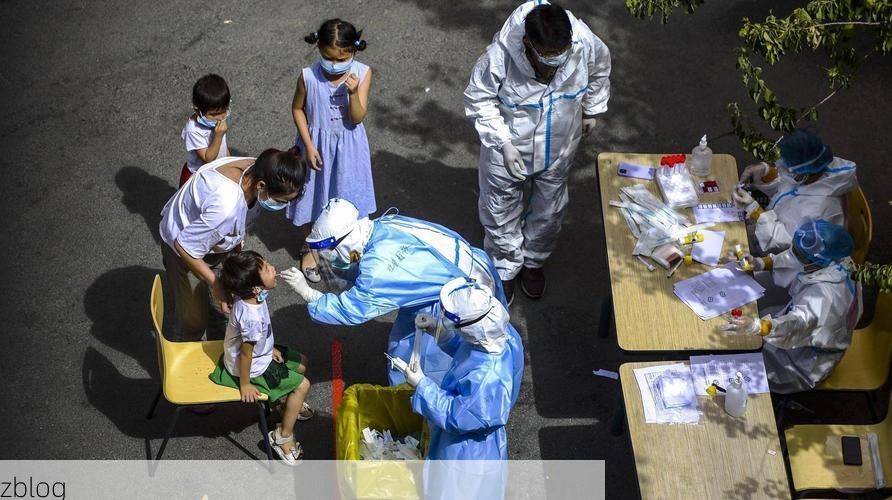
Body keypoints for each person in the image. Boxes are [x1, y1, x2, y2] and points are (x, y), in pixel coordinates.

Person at [464, 1, 611, 302]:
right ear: (528, 44)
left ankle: (533, 261)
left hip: (560, 144)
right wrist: (503, 142)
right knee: (499, 207)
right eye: (548, 58)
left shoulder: (583, 41)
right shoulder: (501, 56)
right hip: (509, 148)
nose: (555, 65)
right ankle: (504, 267)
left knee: (550, 209)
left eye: (562, 55)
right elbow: (479, 99)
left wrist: (591, 110)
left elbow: (599, 70)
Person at [280, 198, 505, 385]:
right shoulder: (382, 226)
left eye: (328, 248)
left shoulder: (378, 271)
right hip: (472, 271)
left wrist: (307, 293)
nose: (325, 254)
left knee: (421, 363)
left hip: (454, 304)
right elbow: (360, 266)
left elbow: (351, 309)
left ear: (344, 241)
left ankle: (414, 407)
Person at [390, 277, 524, 500]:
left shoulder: (487, 379)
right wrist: (438, 330)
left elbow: (457, 415)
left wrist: (422, 385)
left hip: (467, 453)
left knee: (454, 491)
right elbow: (470, 350)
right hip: (477, 438)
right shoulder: (502, 334)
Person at [159, 149, 306, 341]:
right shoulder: (225, 207)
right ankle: (183, 356)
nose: (282, 206)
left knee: (223, 311)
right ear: (261, 185)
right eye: (281, 201)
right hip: (184, 251)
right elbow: (184, 247)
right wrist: (216, 283)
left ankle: (221, 353)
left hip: (215, 243)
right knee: (193, 321)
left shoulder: (258, 169)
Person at [721, 219, 861, 393]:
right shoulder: (833, 258)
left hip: (804, 360)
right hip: (802, 329)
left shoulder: (824, 298)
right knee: (756, 321)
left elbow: (798, 324)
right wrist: (761, 263)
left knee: (740, 365)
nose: (792, 254)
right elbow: (793, 257)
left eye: (798, 253)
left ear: (818, 262)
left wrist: (758, 326)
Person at [288, 19, 376, 285]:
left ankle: (350, 247)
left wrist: (352, 93)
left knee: (348, 196)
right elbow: (297, 109)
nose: (334, 65)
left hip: (349, 150)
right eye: (328, 58)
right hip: (315, 147)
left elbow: (358, 116)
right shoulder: (307, 76)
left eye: (342, 58)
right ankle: (311, 248)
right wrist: (309, 145)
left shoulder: (362, 73)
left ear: (354, 52)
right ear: (319, 50)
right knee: (313, 198)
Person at [209, 250, 313, 466]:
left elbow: (253, 343)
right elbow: (247, 354)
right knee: (303, 386)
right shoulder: (252, 318)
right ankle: (282, 436)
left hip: (262, 352)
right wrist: (245, 384)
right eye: (267, 269)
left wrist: (270, 347)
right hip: (253, 368)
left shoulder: (248, 296)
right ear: (256, 287)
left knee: (302, 363)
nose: (273, 268)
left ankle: (286, 406)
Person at [733, 128, 857, 255]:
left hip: (783, 260)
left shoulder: (819, 210)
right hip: (769, 224)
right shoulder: (815, 165)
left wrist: (756, 211)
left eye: (788, 169)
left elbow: (786, 244)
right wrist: (764, 173)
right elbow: (787, 186)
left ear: (806, 173)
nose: (784, 170)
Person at [179, 74, 232, 187]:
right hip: (199, 176)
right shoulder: (193, 131)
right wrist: (218, 136)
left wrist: (228, 159)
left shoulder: (217, 121)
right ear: (198, 111)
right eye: (213, 114)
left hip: (217, 169)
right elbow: (208, 158)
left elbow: (223, 146)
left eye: (223, 112)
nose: (219, 117)